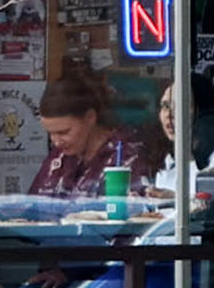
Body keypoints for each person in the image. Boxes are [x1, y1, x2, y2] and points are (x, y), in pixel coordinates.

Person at [23, 67, 153, 202]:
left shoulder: (125, 155)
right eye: (51, 134)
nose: (56, 142)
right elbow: (32, 205)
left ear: (90, 118)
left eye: (63, 132)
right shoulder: (59, 156)